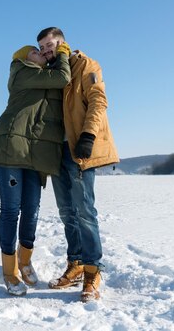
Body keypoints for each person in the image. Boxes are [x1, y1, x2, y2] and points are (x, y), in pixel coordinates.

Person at [37, 27, 119, 302]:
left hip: (79, 148)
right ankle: (76, 263)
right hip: (57, 152)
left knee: (84, 211)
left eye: (51, 45)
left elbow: (98, 100)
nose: (47, 51)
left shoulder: (85, 64)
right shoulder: (52, 73)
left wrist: (88, 134)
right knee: (66, 212)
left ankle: (93, 270)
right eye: (44, 48)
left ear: (62, 43)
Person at [0, 44, 71, 296]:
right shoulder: (22, 72)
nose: (39, 53)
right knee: (11, 210)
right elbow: (63, 77)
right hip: (11, 149)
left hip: (35, 154)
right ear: (24, 59)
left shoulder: (42, 79)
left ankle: (25, 261)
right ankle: (9, 271)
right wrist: (63, 54)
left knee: (32, 210)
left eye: (41, 51)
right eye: (34, 52)